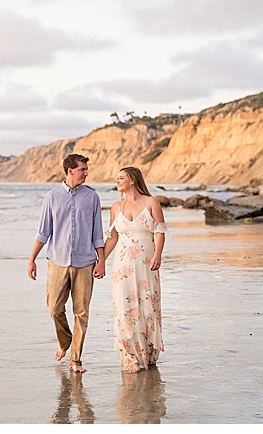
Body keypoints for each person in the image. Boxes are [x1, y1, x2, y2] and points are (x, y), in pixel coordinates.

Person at [28, 153, 105, 374]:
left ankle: (75, 359)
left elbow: (97, 232)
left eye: (86, 169)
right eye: (82, 169)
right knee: (54, 308)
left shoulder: (92, 197)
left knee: (81, 312)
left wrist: (101, 261)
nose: (86, 173)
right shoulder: (52, 197)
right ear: (70, 170)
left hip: (85, 262)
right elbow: (44, 232)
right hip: (58, 261)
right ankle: (65, 341)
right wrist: (32, 259)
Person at [95, 165, 165, 373]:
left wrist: (158, 255)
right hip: (122, 265)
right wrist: (101, 261)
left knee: (147, 305)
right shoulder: (116, 206)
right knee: (124, 308)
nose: (117, 181)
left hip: (146, 263)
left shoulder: (151, 202)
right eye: (117, 178)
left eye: (121, 178)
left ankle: (149, 353)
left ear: (132, 180)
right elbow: (113, 237)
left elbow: (160, 231)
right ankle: (130, 357)